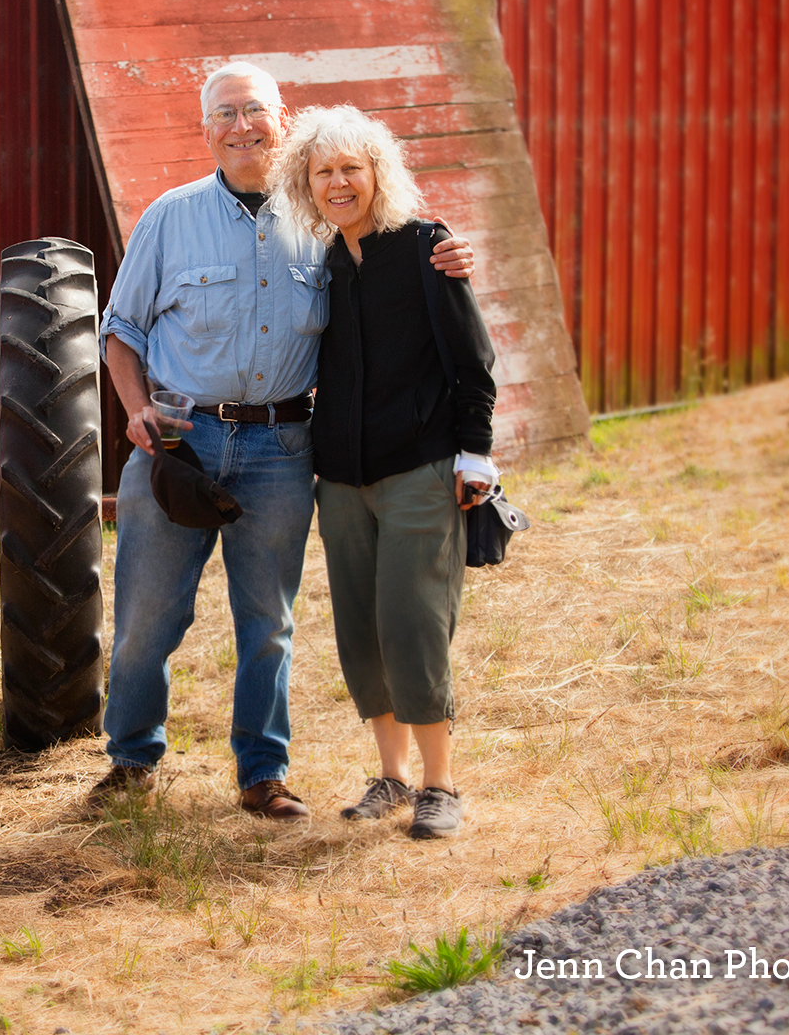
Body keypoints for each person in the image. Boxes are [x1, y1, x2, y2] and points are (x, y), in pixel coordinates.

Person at [91, 63, 475, 820]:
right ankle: (132, 760)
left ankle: (262, 775)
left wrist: (452, 258)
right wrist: (136, 412)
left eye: (254, 111)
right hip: (179, 443)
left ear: (282, 117)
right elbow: (120, 330)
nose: (241, 127)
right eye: (225, 114)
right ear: (206, 130)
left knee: (268, 624)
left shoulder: (322, 221)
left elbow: (390, 262)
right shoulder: (169, 217)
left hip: (282, 447)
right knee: (145, 619)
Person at [274, 105, 499, 840]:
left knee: (413, 623)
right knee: (362, 631)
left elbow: (472, 358)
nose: (338, 183)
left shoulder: (427, 247)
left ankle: (441, 785)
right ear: (306, 184)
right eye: (324, 172)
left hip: (418, 469)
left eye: (352, 168)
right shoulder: (323, 264)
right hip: (339, 479)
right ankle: (392, 777)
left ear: (379, 174)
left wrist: (475, 452)